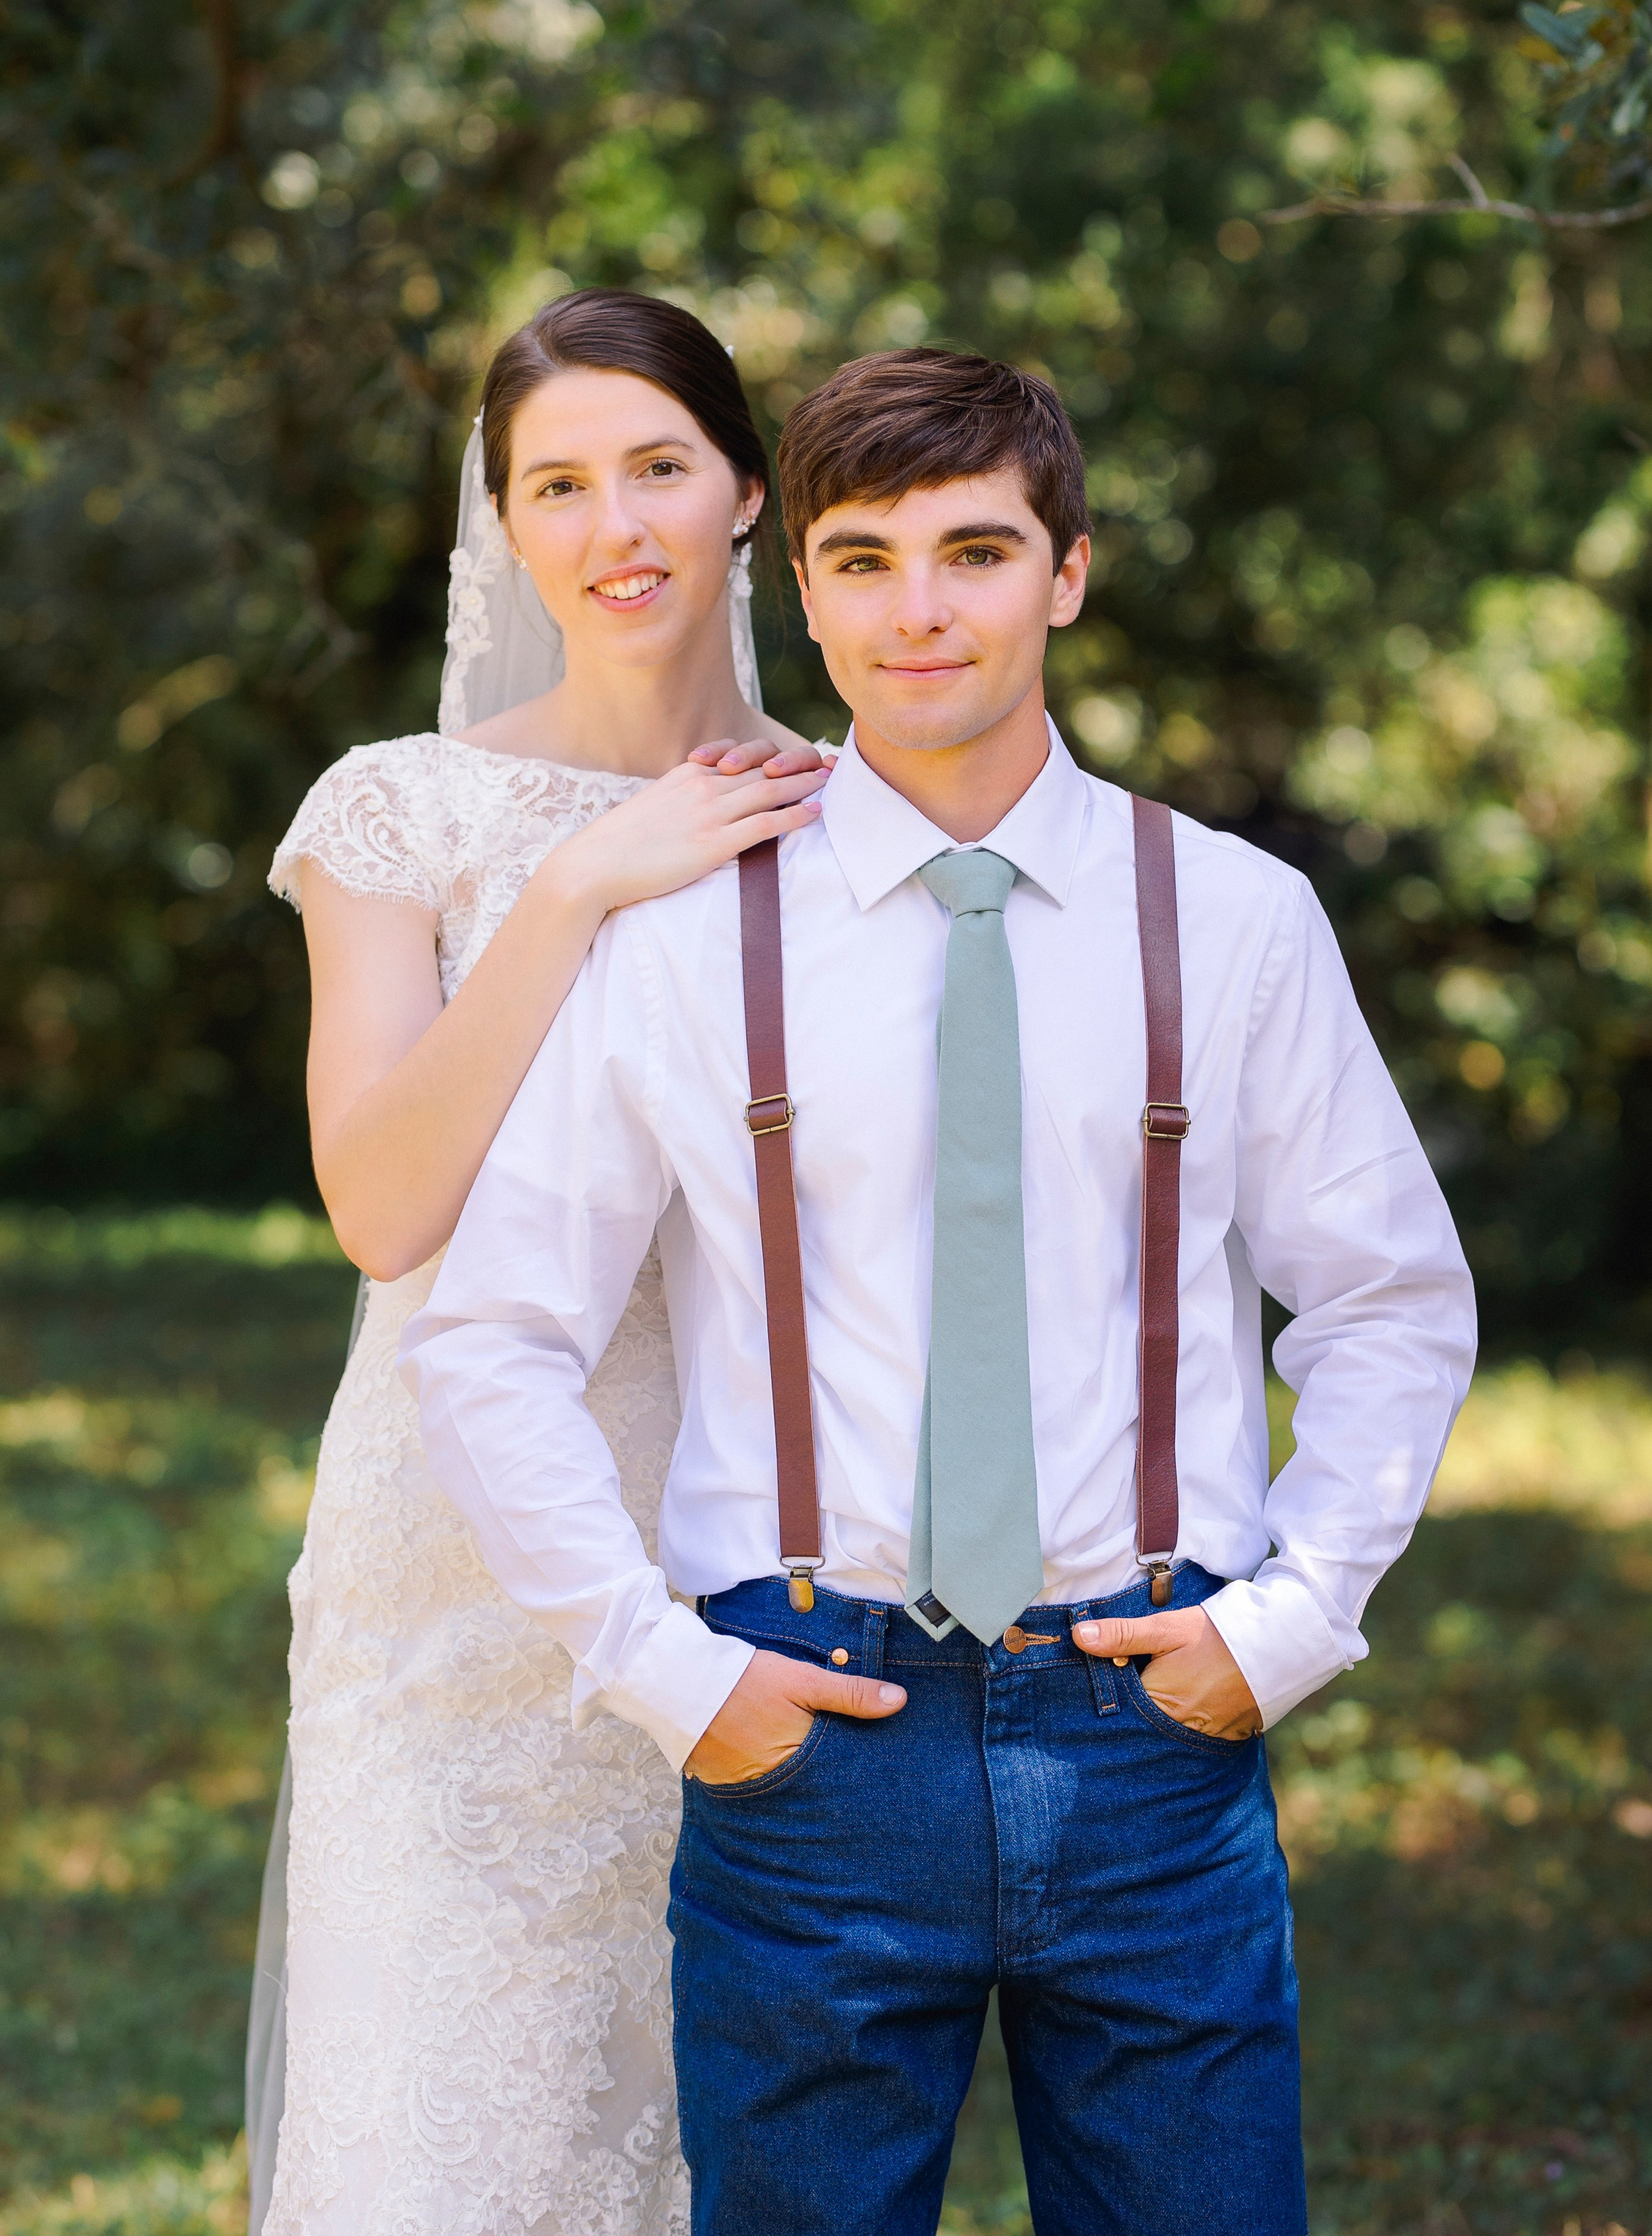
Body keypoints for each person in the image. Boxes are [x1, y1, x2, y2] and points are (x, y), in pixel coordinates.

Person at [400, 345, 1478, 2236]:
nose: (921, 610)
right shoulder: (680, 938)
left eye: (975, 551)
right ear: (799, 588)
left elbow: (1388, 1298)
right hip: (806, 1733)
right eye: (865, 558)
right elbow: (494, 1335)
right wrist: (675, 1676)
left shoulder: (1227, 918)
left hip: (1150, 1727)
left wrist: (1291, 1625)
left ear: (1069, 571)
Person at [254, 288, 828, 2236]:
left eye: (660, 464)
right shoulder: (399, 814)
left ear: (747, 490)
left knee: (705, 2127)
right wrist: (579, 883)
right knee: (447, 2121)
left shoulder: (844, 815)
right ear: (504, 527)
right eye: (558, 484)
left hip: (738, 1534)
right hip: (450, 1568)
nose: (617, 525)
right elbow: (383, 1203)